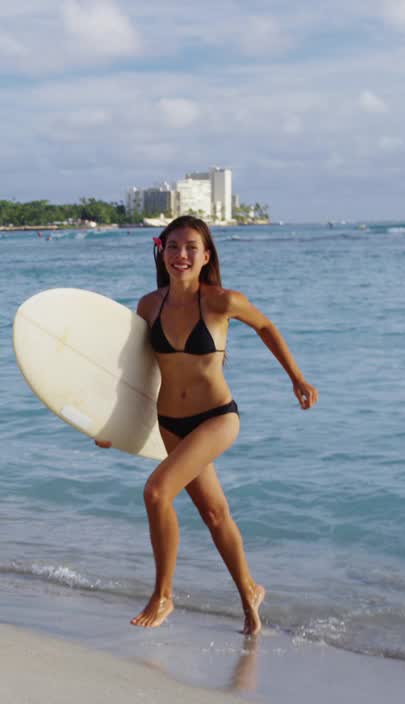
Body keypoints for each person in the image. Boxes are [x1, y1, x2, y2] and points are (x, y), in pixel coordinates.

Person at [97, 215, 317, 636]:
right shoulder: (149, 306)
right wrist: (109, 423)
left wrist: (296, 378)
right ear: (162, 252)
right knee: (215, 514)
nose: (181, 255)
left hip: (216, 418)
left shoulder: (220, 301)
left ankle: (163, 594)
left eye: (190, 247)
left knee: (156, 492)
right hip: (170, 423)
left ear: (206, 256)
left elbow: (266, 326)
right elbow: (134, 372)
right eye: (173, 246)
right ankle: (250, 591)